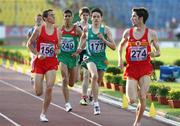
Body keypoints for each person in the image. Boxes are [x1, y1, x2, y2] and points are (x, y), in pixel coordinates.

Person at [118, 7, 160, 126]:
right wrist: (120, 60)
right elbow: (120, 47)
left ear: (141, 18)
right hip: (131, 69)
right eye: (132, 16)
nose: (132, 18)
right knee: (132, 100)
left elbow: (158, 51)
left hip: (145, 68)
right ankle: (135, 93)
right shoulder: (127, 32)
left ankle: (137, 122)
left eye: (134, 16)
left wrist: (154, 53)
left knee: (142, 96)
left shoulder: (151, 33)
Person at [74, 8, 116, 115]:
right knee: (94, 76)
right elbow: (83, 40)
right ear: (91, 18)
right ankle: (96, 104)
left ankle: (91, 95)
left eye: (98, 17)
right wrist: (79, 50)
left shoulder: (106, 30)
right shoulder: (86, 28)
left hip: (101, 59)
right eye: (94, 17)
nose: (96, 18)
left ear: (101, 18)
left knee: (98, 81)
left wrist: (104, 39)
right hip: (89, 57)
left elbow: (114, 47)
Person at [27, 9, 60, 122]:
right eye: (51, 15)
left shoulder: (57, 31)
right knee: (38, 92)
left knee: (50, 87)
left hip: (51, 62)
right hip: (40, 63)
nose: (54, 17)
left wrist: (57, 51)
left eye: (54, 15)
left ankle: (43, 114)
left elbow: (58, 47)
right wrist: (37, 54)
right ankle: (33, 77)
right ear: (45, 18)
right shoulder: (39, 29)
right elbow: (29, 44)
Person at [57, 9, 82, 112]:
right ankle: (67, 103)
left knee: (72, 83)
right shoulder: (60, 30)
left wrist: (78, 51)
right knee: (64, 79)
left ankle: (75, 75)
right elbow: (56, 42)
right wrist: (57, 48)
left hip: (73, 57)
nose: (67, 18)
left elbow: (84, 38)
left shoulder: (76, 29)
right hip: (63, 56)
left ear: (72, 18)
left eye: (69, 16)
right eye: (65, 16)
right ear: (63, 17)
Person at [75, 7, 92, 106]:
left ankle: (84, 97)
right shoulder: (76, 26)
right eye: (83, 15)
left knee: (86, 75)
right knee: (75, 79)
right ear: (80, 16)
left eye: (87, 15)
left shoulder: (91, 26)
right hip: (77, 52)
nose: (85, 17)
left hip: (86, 52)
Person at [27, 14, 43, 85]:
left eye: (40, 19)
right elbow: (29, 41)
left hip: (42, 50)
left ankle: (38, 77)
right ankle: (33, 76)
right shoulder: (31, 30)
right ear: (35, 20)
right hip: (34, 50)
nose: (39, 20)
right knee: (34, 62)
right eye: (37, 19)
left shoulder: (44, 29)